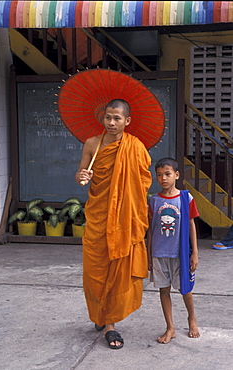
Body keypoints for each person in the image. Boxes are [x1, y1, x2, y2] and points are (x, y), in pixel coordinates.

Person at [75, 99, 152, 349]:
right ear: (102, 118)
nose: (111, 122)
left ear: (126, 121)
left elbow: (143, 182)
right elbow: (80, 174)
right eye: (108, 117)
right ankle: (100, 313)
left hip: (122, 220)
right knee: (95, 270)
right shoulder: (91, 144)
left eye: (117, 118)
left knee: (117, 268)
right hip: (98, 218)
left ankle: (110, 324)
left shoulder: (135, 147)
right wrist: (83, 175)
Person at [147, 157, 200, 344]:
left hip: (181, 254)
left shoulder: (186, 198)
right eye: (159, 175)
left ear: (176, 175)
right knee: (164, 291)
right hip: (159, 254)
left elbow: (192, 225)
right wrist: (148, 255)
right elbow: (151, 230)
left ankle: (191, 319)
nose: (163, 178)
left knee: (185, 289)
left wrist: (194, 253)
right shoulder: (153, 200)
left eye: (167, 174)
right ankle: (170, 327)